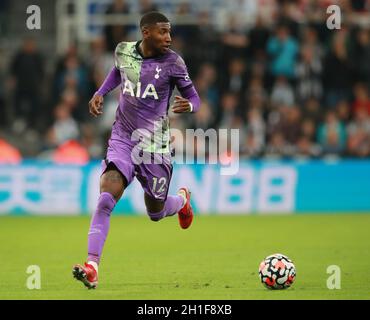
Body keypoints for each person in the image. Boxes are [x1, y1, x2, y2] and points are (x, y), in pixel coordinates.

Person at [72, 12, 201, 289]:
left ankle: (181, 201)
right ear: (146, 33)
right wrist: (100, 93)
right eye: (162, 32)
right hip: (123, 138)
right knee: (107, 195)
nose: (168, 37)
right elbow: (117, 72)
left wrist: (188, 106)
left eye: (169, 32)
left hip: (154, 147)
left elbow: (194, 98)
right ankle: (92, 266)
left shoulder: (174, 63)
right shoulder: (123, 51)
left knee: (155, 212)